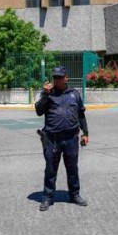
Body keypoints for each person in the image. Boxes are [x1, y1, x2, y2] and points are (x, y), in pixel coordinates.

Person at [35, 66, 89, 211]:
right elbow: (39, 111)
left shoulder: (74, 94)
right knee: (51, 169)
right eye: (55, 77)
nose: (57, 80)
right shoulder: (48, 93)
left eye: (60, 77)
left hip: (71, 138)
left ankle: (74, 194)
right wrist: (45, 95)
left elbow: (81, 114)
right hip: (52, 139)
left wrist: (85, 133)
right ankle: (47, 197)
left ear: (66, 78)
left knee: (72, 168)